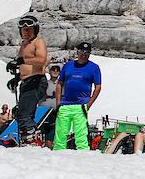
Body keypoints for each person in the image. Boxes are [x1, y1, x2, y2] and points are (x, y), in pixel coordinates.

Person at [53, 41, 102, 151]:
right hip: (65, 105)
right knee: (60, 134)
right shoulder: (68, 65)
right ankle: (57, 158)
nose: (83, 54)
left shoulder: (94, 67)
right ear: (77, 52)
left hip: (81, 105)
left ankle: (83, 159)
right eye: (81, 51)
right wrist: (58, 103)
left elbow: (98, 86)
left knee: (81, 136)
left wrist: (89, 104)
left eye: (87, 52)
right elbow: (59, 84)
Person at [14, 15, 48, 144]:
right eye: (23, 30)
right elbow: (24, 65)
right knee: (20, 113)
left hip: (36, 81)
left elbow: (41, 60)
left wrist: (23, 60)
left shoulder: (38, 42)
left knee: (24, 113)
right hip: (26, 82)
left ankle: (33, 139)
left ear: (35, 29)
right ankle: (27, 139)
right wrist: (17, 78)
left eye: (29, 29)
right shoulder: (24, 44)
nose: (26, 32)